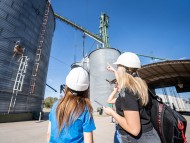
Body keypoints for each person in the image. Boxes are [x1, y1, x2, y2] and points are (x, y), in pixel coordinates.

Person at [103, 52, 161, 143]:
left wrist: (112, 113)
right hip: (150, 134)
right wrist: (114, 71)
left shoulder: (128, 92)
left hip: (134, 139)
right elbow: (122, 82)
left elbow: (134, 130)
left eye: (118, 67)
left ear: (122, 69)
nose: (117, 70)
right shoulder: (140, 87)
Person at [47, 67, 96, 143]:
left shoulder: (56, 105)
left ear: (67, 85)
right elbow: (88, 141)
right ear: (86, 89)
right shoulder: (85, 109)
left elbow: (49, 133)